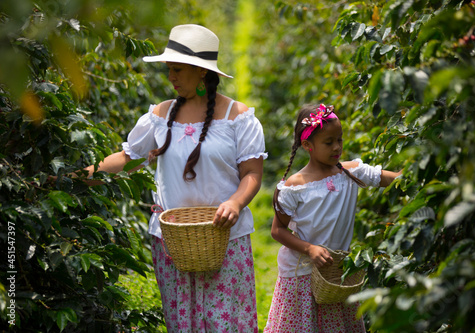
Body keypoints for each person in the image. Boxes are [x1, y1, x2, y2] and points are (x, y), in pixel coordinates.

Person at [82, 24, 266, 332]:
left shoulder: (238, 117)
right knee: (182, 322)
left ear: (201, 72)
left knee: (226, 323)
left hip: (224, 238)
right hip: (173, 242)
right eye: (170, 70)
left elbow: (252, 174)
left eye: (178, 69)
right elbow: (129, 159)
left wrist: (235, 202)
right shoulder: (160, 115)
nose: (172, 77)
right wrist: (84, 175)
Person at [263, 104, 401, 332]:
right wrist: (309, 249)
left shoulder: (351, 174)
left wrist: (416, 174)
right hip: (302, 274)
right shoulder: (296, 186)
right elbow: (277, 231)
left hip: (335, 274)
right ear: (307, 145)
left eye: (340, 139)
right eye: (329, 142)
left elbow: (393, 179)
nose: (337, 147)